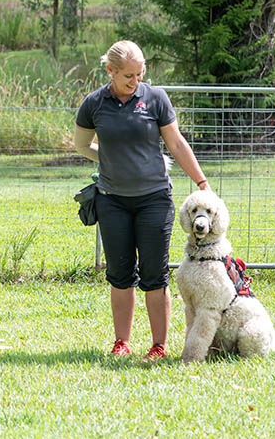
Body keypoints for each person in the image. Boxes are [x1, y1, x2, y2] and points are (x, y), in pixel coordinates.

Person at [73, 40, 209, 361]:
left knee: (154, 275)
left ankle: (159, 346)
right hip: (112, 202)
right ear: (111, 71)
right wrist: (107, 158)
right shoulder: (94, 104)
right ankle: (122, 342)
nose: (136, 81)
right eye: (128, 76)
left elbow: (175, 144)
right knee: (120, 275)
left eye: (140, 73)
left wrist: (201, 182)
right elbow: (82, 144)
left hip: (154, 201)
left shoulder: (155, 99)